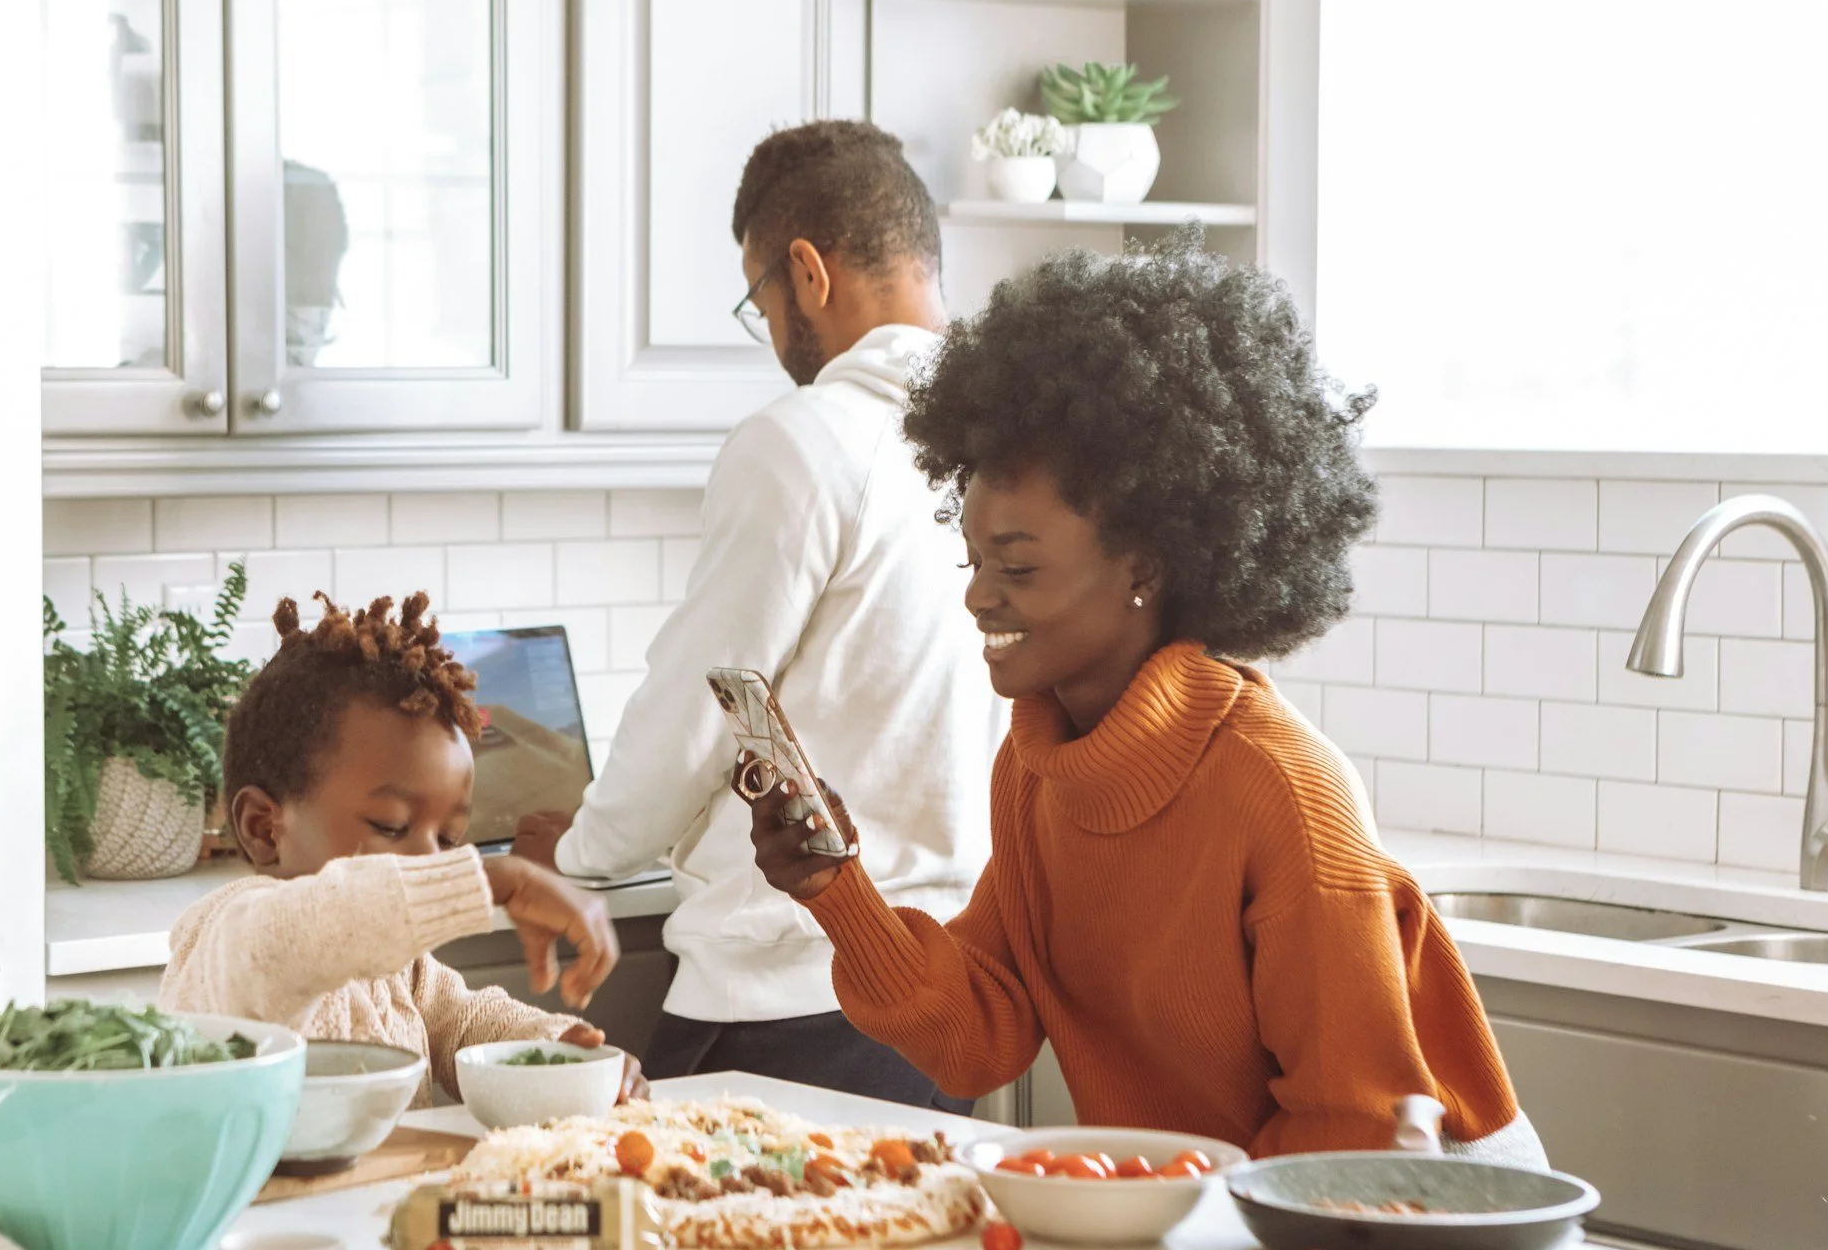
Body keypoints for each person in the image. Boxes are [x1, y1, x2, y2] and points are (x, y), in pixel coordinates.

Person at [739, 231, 1540, 1162]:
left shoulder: (1281, 793)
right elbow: (984, 1026)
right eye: (974, 557)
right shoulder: (1040, 769)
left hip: (1415, 1212)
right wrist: (834, 887)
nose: (977, 594)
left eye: (1018, 566)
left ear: (1146, 567)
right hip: (1228, 1214)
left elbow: (1351, 1130)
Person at [517, 121, 1002, 1111]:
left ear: (808, 271)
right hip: (943, 996)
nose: (770, 328)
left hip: (782, 1007)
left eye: (758, 295)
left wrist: (567, 857)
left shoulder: (805, 440)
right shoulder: (1007, 444)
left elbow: (701, 707)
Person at [159, 592, 645, 1101]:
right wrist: (491, 877)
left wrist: (557, 1049)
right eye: (391, 826)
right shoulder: (231, 934)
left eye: (450, 840)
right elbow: (302, 928)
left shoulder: (401, 970)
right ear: (264, 828)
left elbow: (466, 1023)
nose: (429, 861)